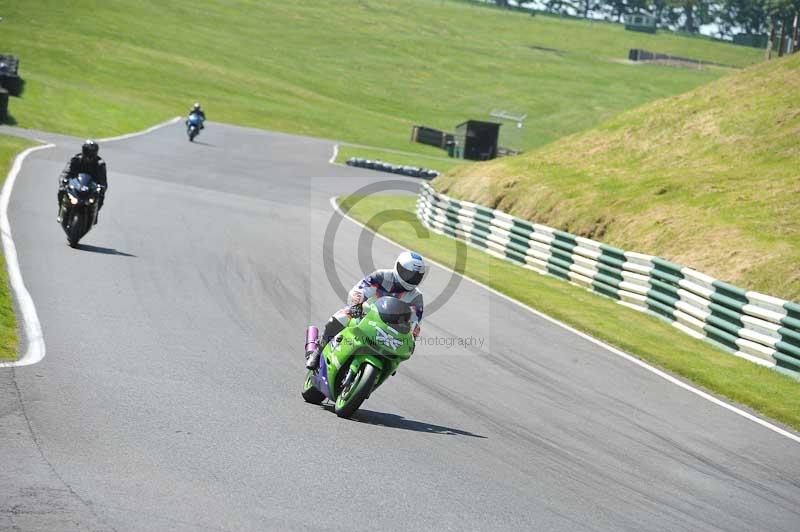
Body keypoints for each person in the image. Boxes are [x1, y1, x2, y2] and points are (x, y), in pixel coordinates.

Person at [305, 251, 427, 370]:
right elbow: (360, 290)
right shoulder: (381, 276)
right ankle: (318, 351)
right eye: (408, 274)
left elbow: (415, 322)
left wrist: (412, 338)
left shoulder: (416, 297)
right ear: (398, 267)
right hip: (367, 313)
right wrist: (356, 305)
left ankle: (386, 369)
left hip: (391, 329)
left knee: (402, 351)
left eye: (416, 276)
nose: (411, 278)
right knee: (342, 317)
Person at [57, 140, 107, 223]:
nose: (88, 158)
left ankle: (95, 215)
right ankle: (61, 211)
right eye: (87, 153)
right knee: (61, 191)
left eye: (91, 154)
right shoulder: (75, 159)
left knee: (100, 197)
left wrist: (102, 188)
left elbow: (103, 181)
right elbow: (66, 172)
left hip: (91, 187)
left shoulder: (100, 164)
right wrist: (63, 181)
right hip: (76, 184)